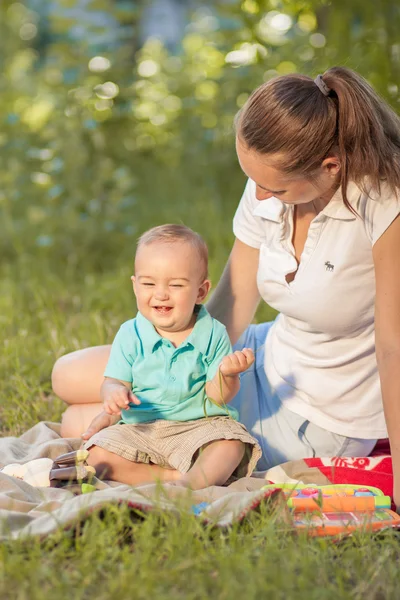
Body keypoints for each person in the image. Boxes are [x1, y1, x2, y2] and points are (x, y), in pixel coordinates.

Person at [52, 66, 400, 504]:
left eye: (271, 187)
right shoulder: (267, 187)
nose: (256, 196)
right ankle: (158, 455)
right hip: (256, 356)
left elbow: (393, 348)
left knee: (76, 424)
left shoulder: (384, 208)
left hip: (317, 415)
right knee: (68, 378)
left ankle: (176, 478)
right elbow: (233, 301)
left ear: (330, 167)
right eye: (251, 178)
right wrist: (184, 369)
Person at [81, 224, 261, 488]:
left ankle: (192, 482)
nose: (161, 293)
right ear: (135, 286)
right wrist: (114, 393)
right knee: (94, 457)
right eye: (148, 283)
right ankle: (175, 479)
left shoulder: (212, 333)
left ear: (201, 291)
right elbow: (113, 381)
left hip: (198, 427)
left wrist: (228, 374)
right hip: (141, 428)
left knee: (231, 444)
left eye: (175, 285)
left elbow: (217, 397)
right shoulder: (131, 333)